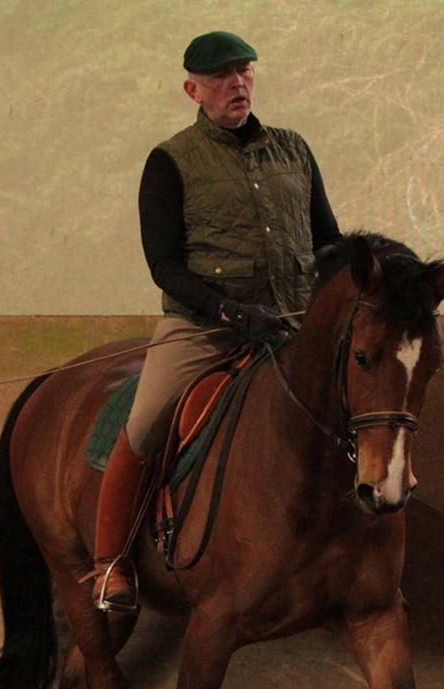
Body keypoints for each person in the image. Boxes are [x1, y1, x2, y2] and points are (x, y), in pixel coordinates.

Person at [90, 30, 342, 611]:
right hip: (205, 328)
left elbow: (327, 241)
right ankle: (110, 564)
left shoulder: (294, 151)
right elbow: (165, 265)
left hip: (292, 322)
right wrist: (227, 309)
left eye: (245, 71)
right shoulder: (170, 161)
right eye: (223, 75)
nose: (238, 83)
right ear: (193, 89)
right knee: (147, 419)